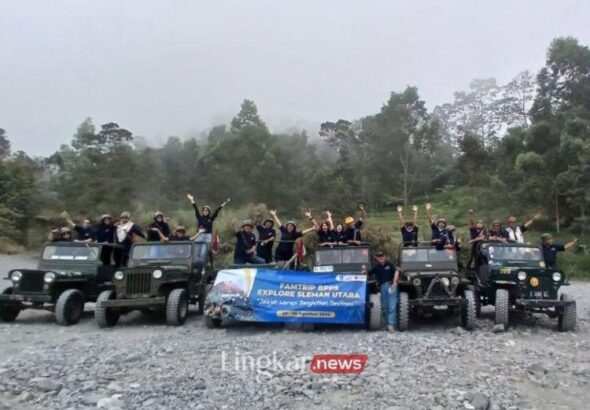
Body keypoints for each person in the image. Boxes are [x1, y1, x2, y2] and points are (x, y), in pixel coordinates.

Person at [368, 251, 399, 332]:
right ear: (377, 258)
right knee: (384, 306)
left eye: (382, 256)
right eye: (379, 256)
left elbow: (396, 271)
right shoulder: (376, 267)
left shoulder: (389, 264)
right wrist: (363, 272)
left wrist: (395, 282)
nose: (381, 258)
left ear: (385, 257)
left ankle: (391, 325)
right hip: (382, 287)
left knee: (392, 306)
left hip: (391, 285)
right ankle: (385, 325)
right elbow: (368, 273)